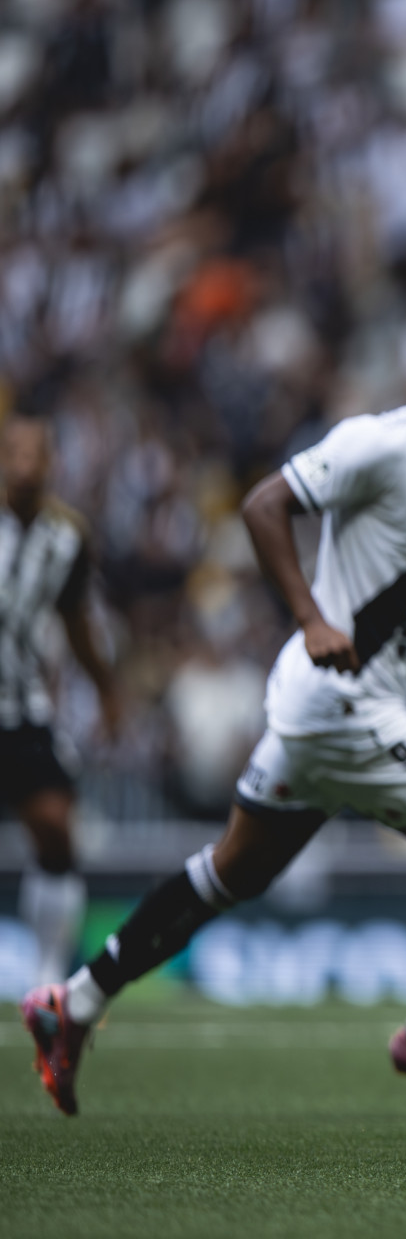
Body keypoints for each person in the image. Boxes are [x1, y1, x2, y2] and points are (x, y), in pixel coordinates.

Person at [19, 298, 406, 1117]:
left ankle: (73, 1001)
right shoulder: (378, 443)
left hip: (327, 704)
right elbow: (264, 504)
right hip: (340, 702)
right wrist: (312, 618)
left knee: (231, 872)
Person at [0, 413, 121, 989]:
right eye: (14, 453)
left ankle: (47, 974)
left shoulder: (66, 538)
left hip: (21, 705)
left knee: (54, 826)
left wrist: (106, 689)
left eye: (36, 455)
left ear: (52, 464)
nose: (25, 465)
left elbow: (76, 623)